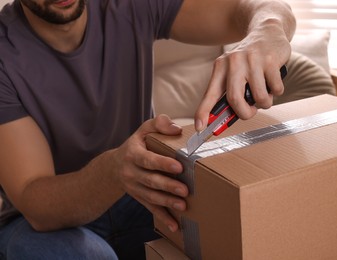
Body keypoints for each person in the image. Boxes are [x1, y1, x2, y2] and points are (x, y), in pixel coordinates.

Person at [0, 0, 295, 259]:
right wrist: (115, 170)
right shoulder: (5, 53)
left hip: (143, 197)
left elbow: (257, 8)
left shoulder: (129, 6)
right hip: (43, 225)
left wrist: (268, 28)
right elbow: (35, 203)